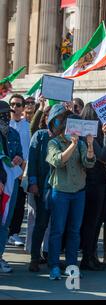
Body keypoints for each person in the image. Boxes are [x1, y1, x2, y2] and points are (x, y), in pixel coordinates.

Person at [46, 105, 96, 280]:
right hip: (60, 191)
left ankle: (72, 265)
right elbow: (58, 161)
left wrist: (89, 145)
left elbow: (89, 163)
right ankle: (54, 265)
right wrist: (72, 145)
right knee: (58, 230)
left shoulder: (81, 143)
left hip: (78, 191)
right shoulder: (54, 142)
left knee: (75, 230)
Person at [79, 104, 106, 271]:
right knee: (91, 222)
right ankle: (87, 257)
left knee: (96, 221)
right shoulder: (88, 133)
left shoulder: (92, 133)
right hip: (93, 183)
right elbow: (105, 156)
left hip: (98, 182)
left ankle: (91, 255)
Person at [27, 99, 58, 272]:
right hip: (42, 185)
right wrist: (32, 183)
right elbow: (32, 160)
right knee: (41, 223)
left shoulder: (66, 137)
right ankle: (34, 257)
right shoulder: (39, 135)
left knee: (58, 225)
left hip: (61, 187)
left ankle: (50, 255)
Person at [0, 100, 22, 273]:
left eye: (8, 114)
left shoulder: (14, 133)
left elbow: (20, 155)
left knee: (5, 222)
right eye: (3, 114)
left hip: (10, 183)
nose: (6, 117)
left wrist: (18, 160)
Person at [7, 94, 30, 248]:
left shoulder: (27, 125)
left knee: (19, 203)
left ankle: (14, 232)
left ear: (23, 108)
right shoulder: (5, 124)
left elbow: (28, 149)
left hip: (22, 168)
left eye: (18, 105)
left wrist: (24, 169)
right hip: (7, 169)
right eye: (13, 104)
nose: (15, 107)